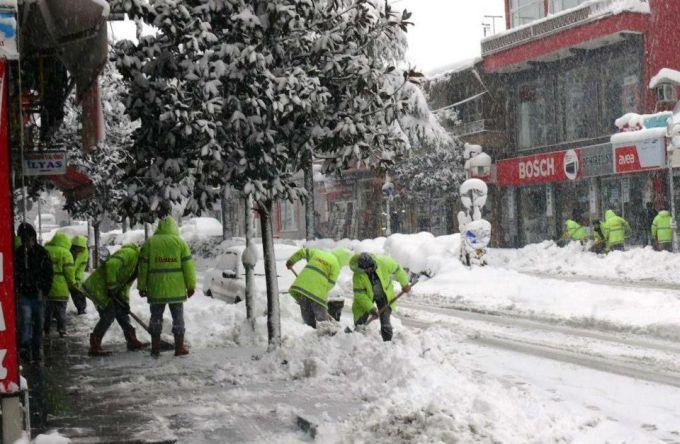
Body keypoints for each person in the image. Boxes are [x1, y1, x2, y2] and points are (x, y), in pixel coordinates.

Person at [138, 216, 196, 357]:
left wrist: (142, 286)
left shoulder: (150, 243)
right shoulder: (180, 243)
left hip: (156, 289)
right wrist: (191, 286)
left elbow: (143, 267)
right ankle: (179, 348)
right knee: (178, 318)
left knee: (156, 317)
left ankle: (156, 348)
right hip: (176, 289)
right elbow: (188, 267)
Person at [83, 244, 148, 356]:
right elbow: (111, 265)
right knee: (109, 313)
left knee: (122, 312)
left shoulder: (138, 265)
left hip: (109, 289)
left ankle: (132, 340)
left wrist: (124, 301)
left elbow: (125, 284)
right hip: (99, 286)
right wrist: (111, 287)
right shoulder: (129, 253)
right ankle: (95, 344)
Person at [351, 252, 411, 342]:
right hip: (367, 296)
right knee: (360, 318)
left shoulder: (384, 262)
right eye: (364, 270)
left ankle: (387, 342)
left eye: (368, 269)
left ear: (371, 265)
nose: (366, 271)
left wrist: (405, 283)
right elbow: (360, 295)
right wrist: (371, 308)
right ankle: (356, 339)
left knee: (385, 320)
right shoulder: (358, 275)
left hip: (384, 295)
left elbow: (398, 270)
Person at [14, 223, 53, 362]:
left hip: (38, 293)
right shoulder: (19, 254)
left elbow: (48, 273)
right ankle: (25, 347)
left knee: (37, 322)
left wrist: (44, 288)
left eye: (28, 239)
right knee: (26, 320)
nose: (27, 243)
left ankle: (35, 347)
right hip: (25, 293)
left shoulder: (41, 253)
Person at [286, 247, 351, 328]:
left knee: (307, 317)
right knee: (322, 318)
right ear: (343, 261)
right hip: (317, 294)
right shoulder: (336, 265)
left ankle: (309, 331)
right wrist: (321, 291)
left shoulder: (318, 252)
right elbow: (330, 283)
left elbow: (303, 251)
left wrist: (291, 261)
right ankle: (326, 334)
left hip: (303, 288)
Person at [44, 232, 80, 337]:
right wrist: (73, 283)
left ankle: (46, 329)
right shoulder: (66, 253)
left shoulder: (46, 250)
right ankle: (62, 330)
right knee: (61, 312)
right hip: (61, 288)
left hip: (48, 287)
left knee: (47, 311)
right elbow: (69, 272)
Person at [70, 235, 89, 315]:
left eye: (80, 248)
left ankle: (81, 308)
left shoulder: (84, 252)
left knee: (78, 290)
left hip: (75, 274)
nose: (79, 250)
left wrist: (77, 279)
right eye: (77, 248)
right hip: (64, 274)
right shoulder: (67, 250)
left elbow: (81, 267)